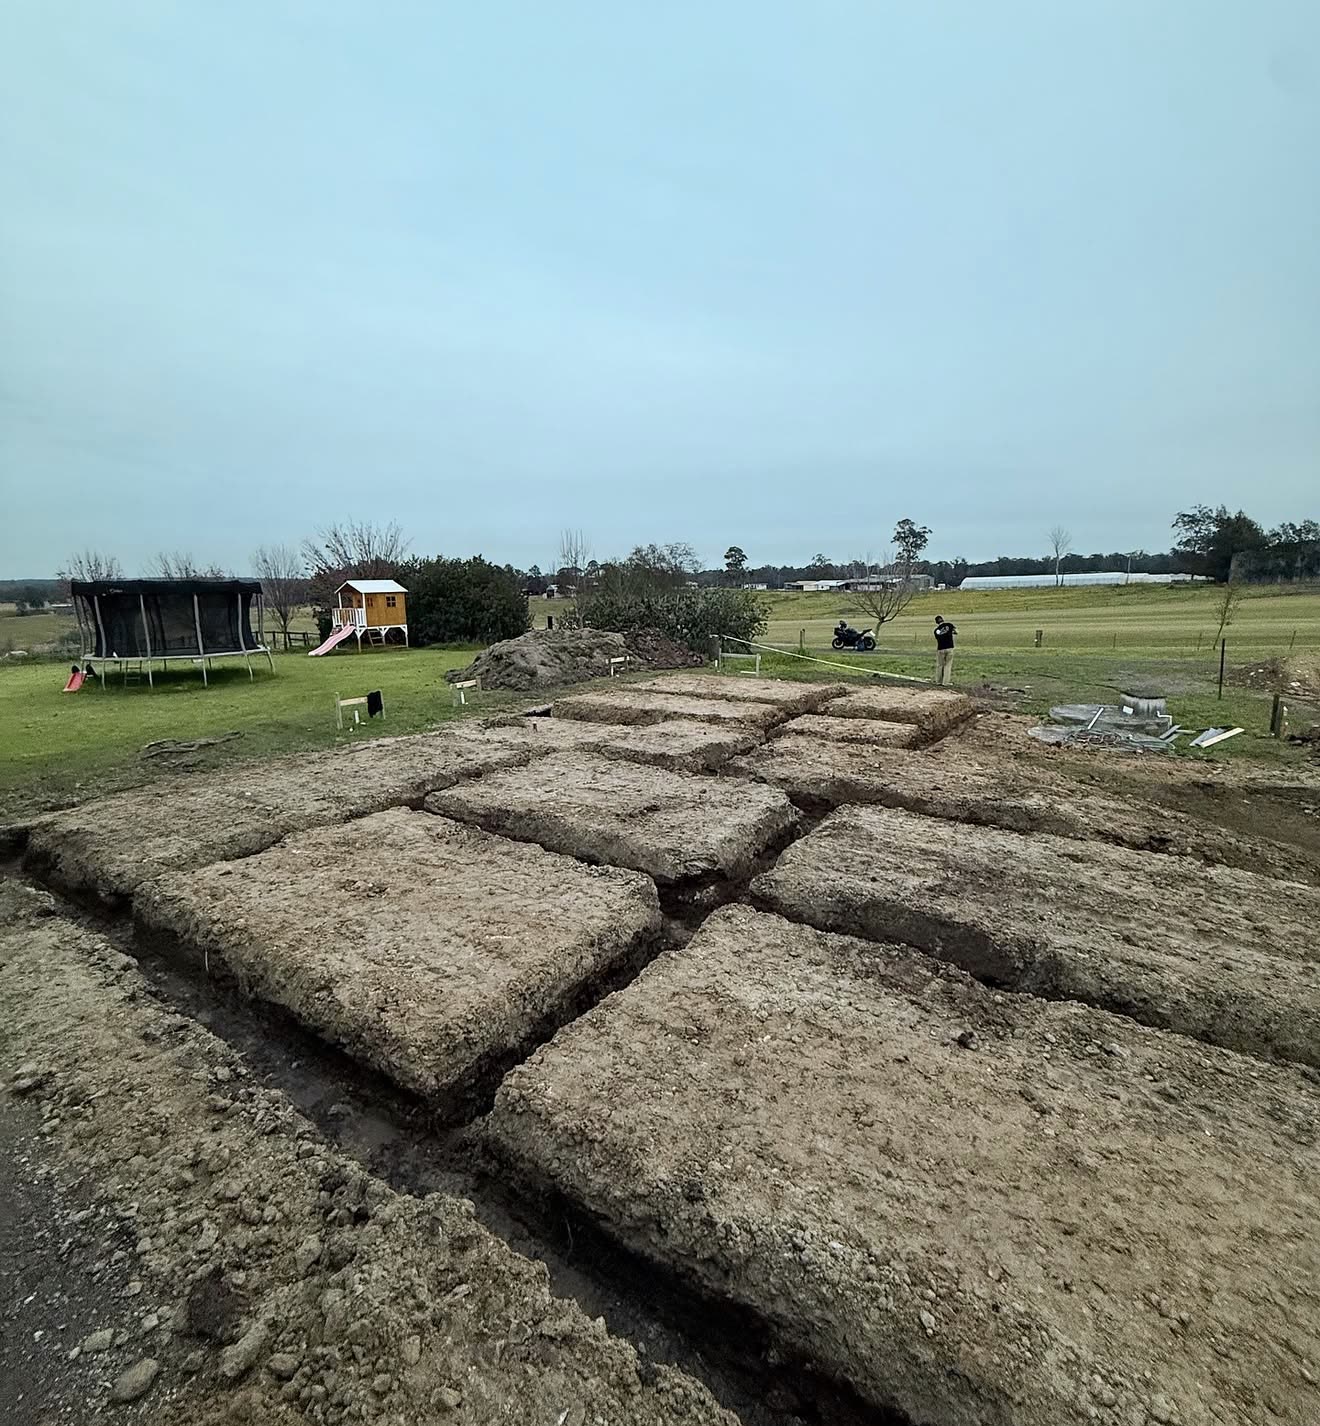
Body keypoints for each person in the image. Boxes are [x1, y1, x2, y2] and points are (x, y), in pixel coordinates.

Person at [933, 614, 957, 685]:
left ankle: (938, 681)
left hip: (941, 648)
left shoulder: (936, 630)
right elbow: (956, 632)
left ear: (937, 622)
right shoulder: (949, 625)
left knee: (940, 665)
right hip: (949, 647)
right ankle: (945, 682)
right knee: (948, 665)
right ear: (943, 620)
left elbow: (938, 637)